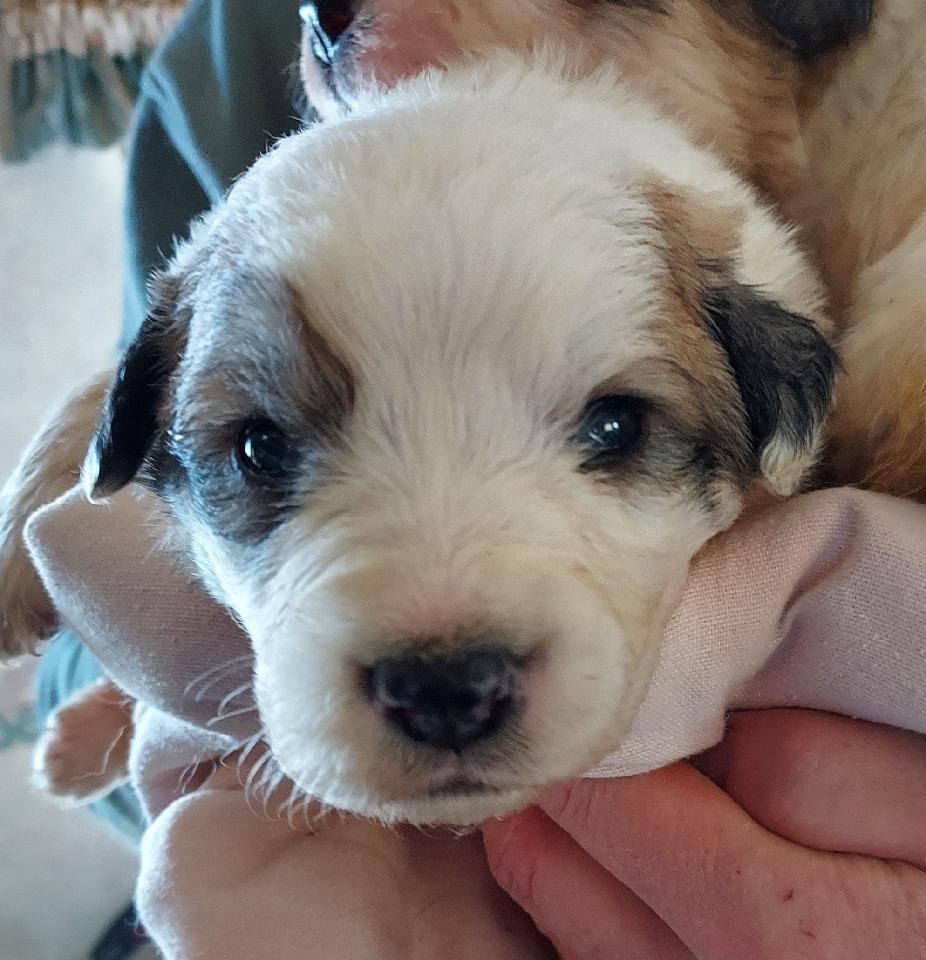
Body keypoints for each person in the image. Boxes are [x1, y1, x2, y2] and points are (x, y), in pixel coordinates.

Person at [35, 1, 925, 956]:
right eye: (270, 452)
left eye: (610, 429)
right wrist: (173, 725)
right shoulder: (228, 68)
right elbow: (74, 600)